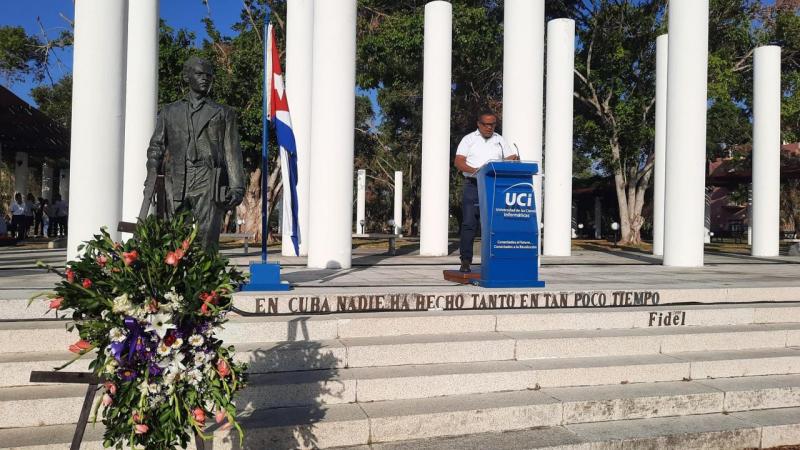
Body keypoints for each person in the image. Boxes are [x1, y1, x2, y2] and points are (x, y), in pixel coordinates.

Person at [143, 56, 245, 251]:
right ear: (186, 77)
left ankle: (207, 278)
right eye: (199, 74)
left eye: (209, 75)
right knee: (176, 233)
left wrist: (237, 186)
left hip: (208, 177)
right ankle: (178, 278)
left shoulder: (223, 112)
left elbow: (232, 151)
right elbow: (156, 146)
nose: (205, 79)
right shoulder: (169, 111)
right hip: (178, 177)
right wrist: (151, 175)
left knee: (207, 234)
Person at [453, 111, 519, 273]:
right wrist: (477, 171)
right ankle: (466, 261)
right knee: (469, 223)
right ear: (479, 124)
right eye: (486, 124)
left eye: (493, 124)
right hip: (473, 185)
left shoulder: (499, 139)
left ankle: (496, 260)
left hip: (495, 186)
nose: (489, 127)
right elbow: (459, 162)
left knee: (494, 224)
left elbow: (510, 158)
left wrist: (514, 159)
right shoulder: (468, 139)